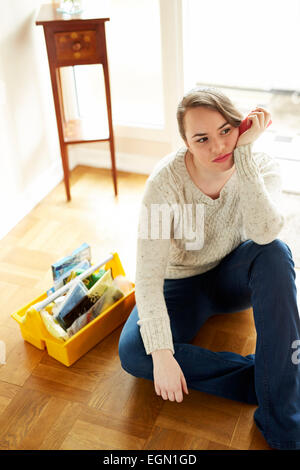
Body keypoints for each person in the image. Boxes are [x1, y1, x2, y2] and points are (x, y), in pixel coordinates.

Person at [118, 87, 300, 450]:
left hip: (234, 274)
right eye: (202, 138)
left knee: (277, 253)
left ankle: (283, 423)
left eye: (226, 131)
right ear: (186, 142)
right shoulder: (164, 184)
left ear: (240, 127)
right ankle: (271, 375)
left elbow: (265, 233)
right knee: (137, 353)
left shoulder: (260, 166)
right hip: (180, 284)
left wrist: (244, 155)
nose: (218, 146)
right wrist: (164, 355)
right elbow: (149, 278)